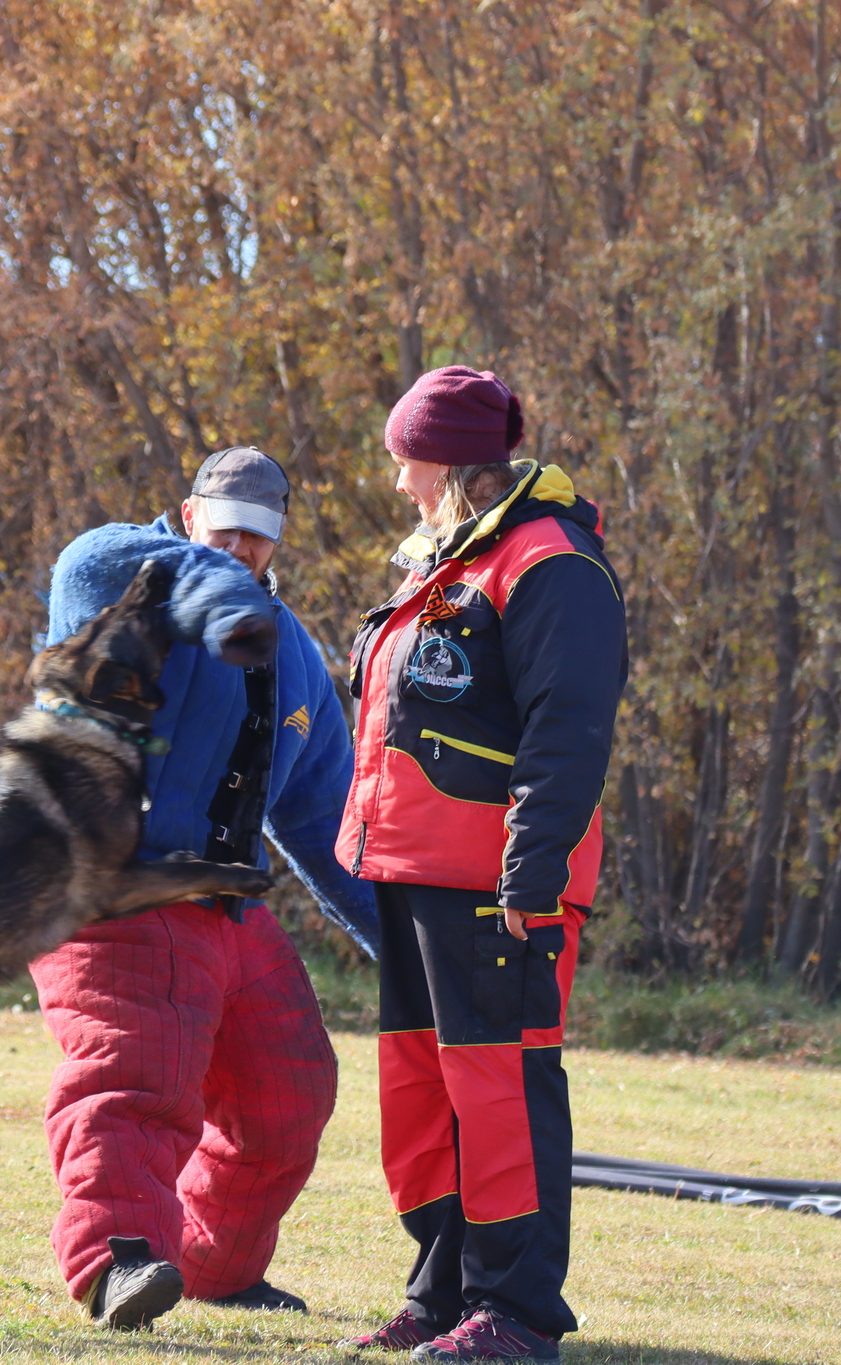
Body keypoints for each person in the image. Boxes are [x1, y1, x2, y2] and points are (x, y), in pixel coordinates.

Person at [33, 446, 382, 1331]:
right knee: (130, 1076)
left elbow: (329, 824)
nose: (241, 548)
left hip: (227, 906)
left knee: (290, 1089)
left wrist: (412, 950)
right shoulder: (122, 582)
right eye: (223, 527)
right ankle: (119, 1262)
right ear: (188, 516)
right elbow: (88, 563)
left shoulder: (295, 657)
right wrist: (211, 578)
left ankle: (214, 1264)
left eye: (259, 537)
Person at [338, 367, 627, 1362]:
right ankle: (443, 1291)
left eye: (403, 461)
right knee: (422, 1093)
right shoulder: (448, 558)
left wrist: (529, 871)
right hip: (414, 874)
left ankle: (515, 1314)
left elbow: (569, 729)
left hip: (497, 884)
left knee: (501, 1090)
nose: (396, 483)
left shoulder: (549, 560)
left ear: (444, 459)